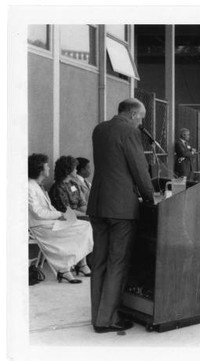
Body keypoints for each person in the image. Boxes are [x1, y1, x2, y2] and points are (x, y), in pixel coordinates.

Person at [87, 98, 154, 333]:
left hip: (98, 204)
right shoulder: (129, 132)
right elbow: (139, 169)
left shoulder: (100, 129)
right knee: (117, 262)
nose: (142, 122)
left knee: (99, 262)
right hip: (121, 209)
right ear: (133, 114)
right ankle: (108, 319)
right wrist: (149, 197)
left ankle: (97, 315)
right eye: (142, 117)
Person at [28, 153, 93, 284]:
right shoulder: (29, 187)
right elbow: (37, 212)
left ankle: (67, 268)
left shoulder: (36, 185)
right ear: (39, 169)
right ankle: (68, 268)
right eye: (46, 166)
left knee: (84, 226)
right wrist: (59, 215)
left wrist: (60, 216)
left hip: (49, 222)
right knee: (83, 226)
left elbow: (49, 208)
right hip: (40, 227)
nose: (49, 169)